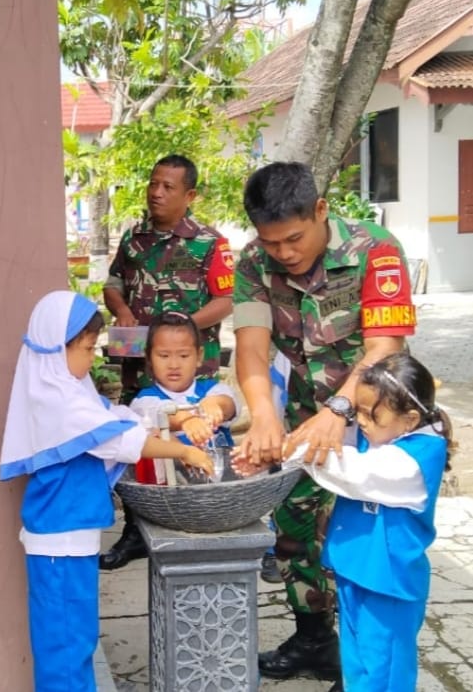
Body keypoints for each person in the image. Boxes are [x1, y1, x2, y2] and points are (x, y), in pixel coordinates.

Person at [233, 162, 416, 686]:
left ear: (320, 210)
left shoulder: (374, 250)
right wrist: (265, 415)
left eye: (293, 238)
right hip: (300, 416)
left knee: (364, 546)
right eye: (272, 244)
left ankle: (366, 667)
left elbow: (384, 349)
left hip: (376, 419)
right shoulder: (252, 263)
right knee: (292, 533)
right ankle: (315, 640)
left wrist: (338, 412)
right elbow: (251, 347)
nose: (284, 253)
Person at [0, 290, 213, 692]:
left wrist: (175, 423)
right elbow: (117, 441)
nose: (90, 358)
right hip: (60, 542)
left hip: (69, 537)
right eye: (85, 349)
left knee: (74, 638)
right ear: (52, 349)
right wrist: (182, 449)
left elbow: (117, 419)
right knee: (66, 645)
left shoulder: (69, 389)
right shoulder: (58, 399)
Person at [235, 353, 451, 692]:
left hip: (388, 583)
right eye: (359, 411)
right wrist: (272, 453)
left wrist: (281, 448)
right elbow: (328, 440)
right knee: (356, 661)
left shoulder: (417, 458)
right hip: (356, 572)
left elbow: (350, 472)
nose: (359, 421)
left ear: (409, 419)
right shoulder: (383, 431)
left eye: (369, 414)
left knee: (384, 669)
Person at [100, 153, 234, 570]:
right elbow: (113, 283)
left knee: (193, 439)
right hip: (140, 362)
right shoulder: (133, 237)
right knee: (139, 441)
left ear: (189, 194)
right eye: (153, 184)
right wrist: (120, 308)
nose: (156, 193)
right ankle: (136, 531)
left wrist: (180, 331)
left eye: (168, 187)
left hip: (191, 364)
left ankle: (200, 517)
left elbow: (227, 299)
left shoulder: (210, 243)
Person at [128, 311, 239, 484]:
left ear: (199, 356)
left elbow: (229, 404)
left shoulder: (213, 390)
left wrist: (215, 404)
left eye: (184, 356)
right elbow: (159, 413)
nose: (174, 365)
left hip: (222, 488)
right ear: (149, 357)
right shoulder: (143, 401)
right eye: (164, 356)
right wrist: (187, 420)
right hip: (174, 493)